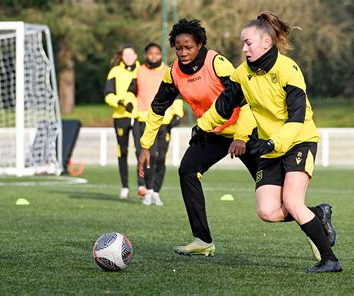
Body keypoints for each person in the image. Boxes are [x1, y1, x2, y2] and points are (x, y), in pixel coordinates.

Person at [197, 12, 341, 273]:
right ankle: (318, 214)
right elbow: (224, 106)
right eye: (242, 43)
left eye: (248, 43)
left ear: (266, 42)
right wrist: (202, 126)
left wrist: (273, 143)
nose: (243, 48)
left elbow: (297, 119)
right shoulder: (242, 74)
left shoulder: (288, 69)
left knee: (293, 201)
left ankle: (330, 260)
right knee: (268, 212)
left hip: (299, 141)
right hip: (270, 147)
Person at [138, 19, 259, 256]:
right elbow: (157, 108)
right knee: (187, 171)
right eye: (178, 48)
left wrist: (242, 137)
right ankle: (203, 240)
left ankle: (314, 223)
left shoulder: (217, 63)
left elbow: (246, 103)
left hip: (245, 132)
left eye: (188, 47)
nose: (183, 52)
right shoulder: (173, 72)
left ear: (200, 44)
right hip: (211, 133)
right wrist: (145, 145)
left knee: (272, 195)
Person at [136, 42, 184, 205]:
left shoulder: (168, 71)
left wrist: (177, 114)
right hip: (145, 120)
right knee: (150, 156)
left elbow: (177, 95)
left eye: (157, 53)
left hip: (165, 122)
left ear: (161, 55)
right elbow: (130, 92)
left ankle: (156, 192)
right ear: (146, 55)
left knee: (161, 158)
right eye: (151, 54)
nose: (154, 56)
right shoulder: (139, 71)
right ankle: (148, 191)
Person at [104, 44, 142, 199]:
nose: (128, 57)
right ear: (121, 56)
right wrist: (120, 102)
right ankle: (125, 186)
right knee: (123, 151)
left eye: (130, 55)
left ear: (135, 56)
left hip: (140, 116)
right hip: (121, 117)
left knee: (141, 151)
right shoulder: (115, 71)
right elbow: (108, 94)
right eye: (125, 55)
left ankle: (142, 184)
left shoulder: (142, 70)